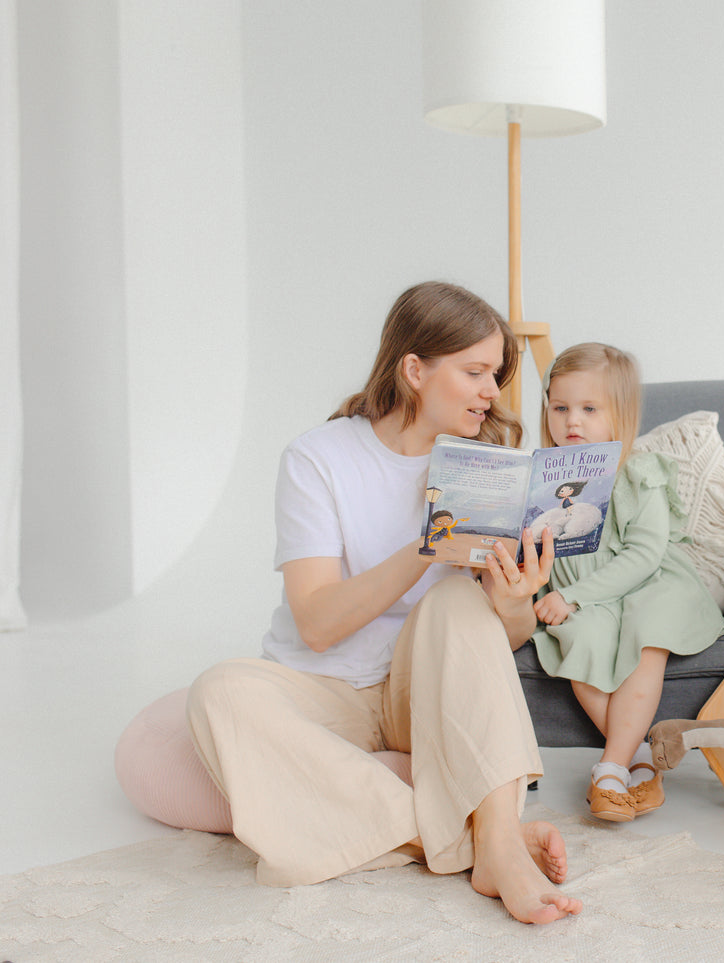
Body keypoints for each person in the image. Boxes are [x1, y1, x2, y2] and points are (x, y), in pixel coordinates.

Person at [185, 281, 581, 924]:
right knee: (220, 691)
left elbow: (495, 644)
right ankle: (481, 837)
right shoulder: (319, 458)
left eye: (496, 374)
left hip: (417, 693)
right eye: (475, 372)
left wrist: (515, 600)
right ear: (414, 370)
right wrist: (427, 547)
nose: (492, 391)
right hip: (325, 689)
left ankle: (494, 849)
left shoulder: (488, 467)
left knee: (457, 604)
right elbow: (316, 624)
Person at [530, 342, 724, 822]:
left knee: (647, 629)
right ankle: (639, 755)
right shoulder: (543, 481)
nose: (572, 421)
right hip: (584, 600)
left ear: (618, 414)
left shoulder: (638, 473)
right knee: (579, 638)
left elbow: (644, 555)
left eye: (589, 409)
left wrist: (573, 595)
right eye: (560, 408)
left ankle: (609, 769)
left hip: (647, 584)